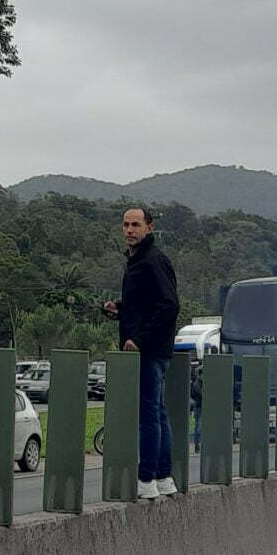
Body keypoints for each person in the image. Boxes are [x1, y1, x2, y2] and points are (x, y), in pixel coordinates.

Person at [101, 205, 180, 499]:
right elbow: (145, 306)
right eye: (126, 225)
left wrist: (140, 340)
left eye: (135, 225)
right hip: (147, 348)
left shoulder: (153, 260)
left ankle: (146, 478)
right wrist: (119, 310)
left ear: (149, 227)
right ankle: (163, 477)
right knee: (156, 412)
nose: (129, 230)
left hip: (150, 351)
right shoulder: (135, 261)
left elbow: (169, 306)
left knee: (149, 415)